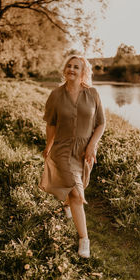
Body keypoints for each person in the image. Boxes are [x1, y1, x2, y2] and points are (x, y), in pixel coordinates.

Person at [39, 55, 105, 258]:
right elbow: (51, 124)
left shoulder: (93, 93)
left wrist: (92, 146)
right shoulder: (56, 95)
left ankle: (67, 206)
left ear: (83, 71)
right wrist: (48, 147)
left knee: (80, 184)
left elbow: (101, 123)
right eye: (69, 65)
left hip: (84, 151)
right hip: (63, 149)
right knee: (77, 193)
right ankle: (84, 240)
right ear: (64, 69)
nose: (71, 69)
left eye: (76, 67)